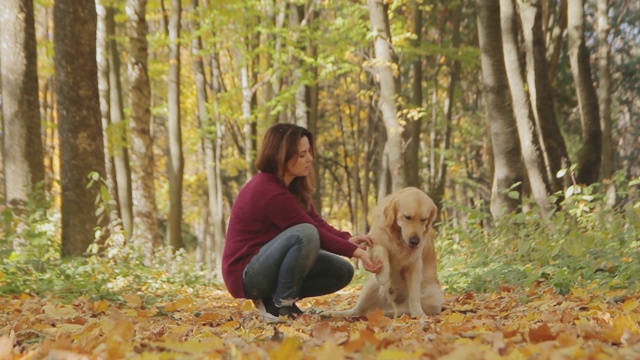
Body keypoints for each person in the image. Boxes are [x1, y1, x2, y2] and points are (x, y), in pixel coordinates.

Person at [222, 123, 382, 319]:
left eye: (309, 152)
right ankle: (282, 305)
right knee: (304, 233)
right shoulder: (268, 190)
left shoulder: (292, 186)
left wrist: (347, 239)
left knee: (341, 271)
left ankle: (273, 299)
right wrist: (358, 253)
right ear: (282, 156)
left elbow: (316, 222)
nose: (310, 159)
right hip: (246, 275)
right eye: (302, 154)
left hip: (266, 264)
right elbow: (312, 232)